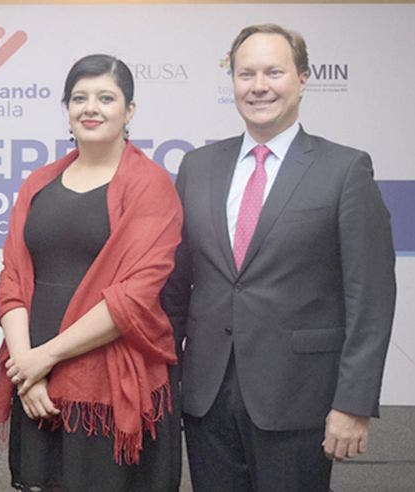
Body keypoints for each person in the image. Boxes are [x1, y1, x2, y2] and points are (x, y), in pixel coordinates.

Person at [161, 24, 396, 491]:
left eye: (274, 71)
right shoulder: (197, 167)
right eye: (246, 73)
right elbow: (174, 289)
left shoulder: (345, 169)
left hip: (299, 398)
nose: (259, 86)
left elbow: (370, 297)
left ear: (303, 78)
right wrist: (165, 383)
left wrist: (353, 403)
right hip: (206, 396)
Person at [0, 54, 183, 491]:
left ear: (129, 110)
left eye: (105, 97)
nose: (90, 108)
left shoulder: (151, 185)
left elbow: (134, 296)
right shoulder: (38, 183)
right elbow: (13, 282)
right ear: (66, 108)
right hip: (35, 386)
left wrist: (46, 357)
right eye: (79, 97)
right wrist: (26, 368)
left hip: (108, 392)